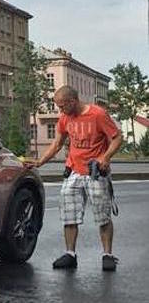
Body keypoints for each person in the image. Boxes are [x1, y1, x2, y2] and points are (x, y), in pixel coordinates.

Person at [26, 86, 122, 271]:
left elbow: (117, 138)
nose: (60, 111)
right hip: (74, 171)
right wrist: (40, 162)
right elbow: (57, 143)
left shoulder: (98, 114)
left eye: (62, 106)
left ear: (73, 101)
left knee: (103, 216)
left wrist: (105, 157)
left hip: (95, 172)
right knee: (69, 215)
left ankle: (107, 255)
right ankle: (70, 254)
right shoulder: (65, 118)